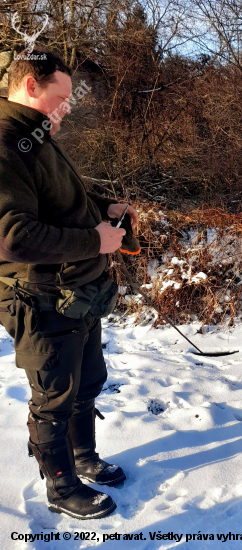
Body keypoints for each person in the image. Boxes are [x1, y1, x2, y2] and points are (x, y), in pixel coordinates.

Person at [0, 51, 138, 519]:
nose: (68, 107)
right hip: (38, 297)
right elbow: (12, 237)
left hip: (77, 293)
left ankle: (84, 458)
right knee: (54, 397)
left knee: (86, 382)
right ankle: (60, 486)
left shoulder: (34, 135)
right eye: (61, 97)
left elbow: (59, 201)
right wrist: (94, 240)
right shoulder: (5, 141)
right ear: (31, 86)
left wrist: (105, 210)